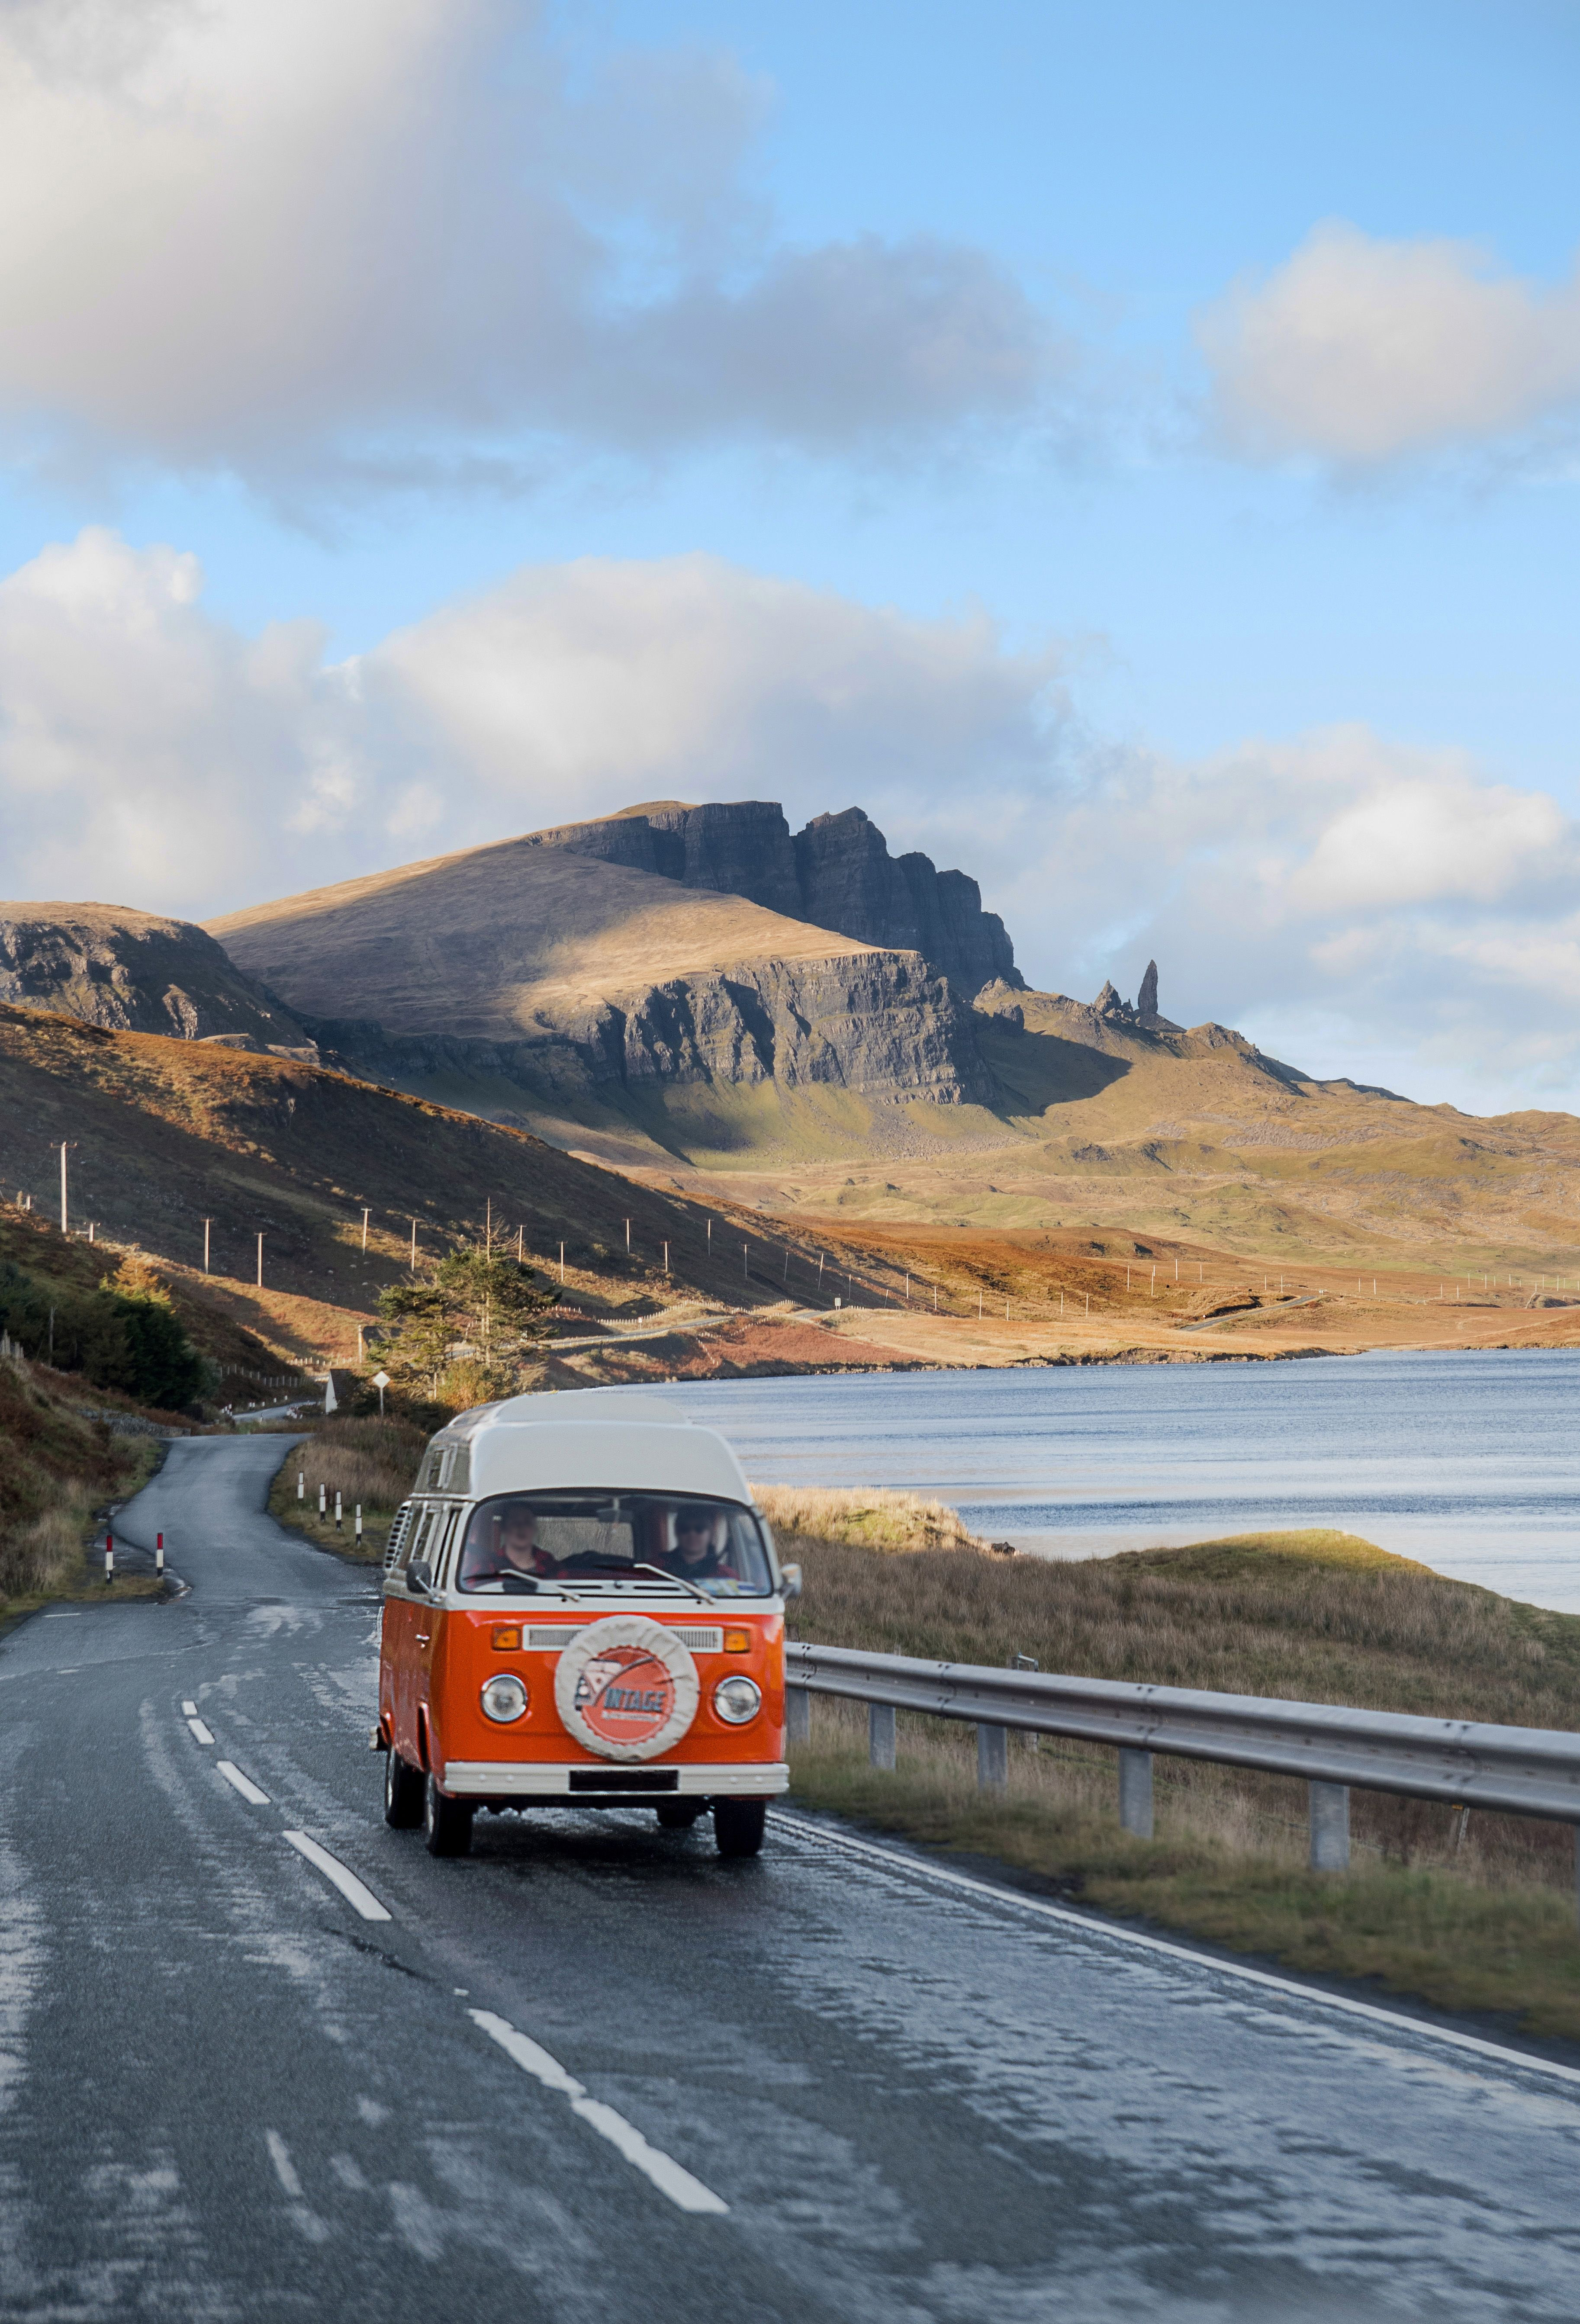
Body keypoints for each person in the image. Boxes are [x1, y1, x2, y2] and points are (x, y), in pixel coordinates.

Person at [459, 1502, 559, 1588]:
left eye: (527, 1522)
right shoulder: (486, 1568)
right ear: (503, 1529)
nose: (522, 1528)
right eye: (515, 1523)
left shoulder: (549, 1564)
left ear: (534, 1529)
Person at [663, 1505, 734, 1585]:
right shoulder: (654, 1570)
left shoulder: (727, 1575)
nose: (692, 1534)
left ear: (711, 1533)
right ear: (677, 1532)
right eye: (685, 1529)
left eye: (699, 1529)